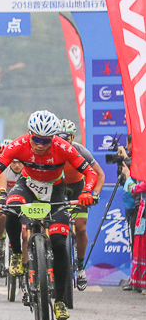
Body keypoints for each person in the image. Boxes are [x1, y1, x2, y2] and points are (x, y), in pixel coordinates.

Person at [0, 110, 98, 320]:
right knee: (10, 209)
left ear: (53, 137)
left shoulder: (63, 147)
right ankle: (17, 253)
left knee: (59, 242)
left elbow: (92, 173)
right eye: (36, 139)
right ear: (29, 134)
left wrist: (87, 192)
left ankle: (60, 301)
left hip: (56, 188)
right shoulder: (18, 144)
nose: (40, 145)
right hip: (27, 185)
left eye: (46, 140)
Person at [57, 119, 105, 290]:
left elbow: (100, 174)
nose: (63, 142)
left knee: (81, 229)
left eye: (67, 138)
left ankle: (80, 266)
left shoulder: (80, 151)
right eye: (59, 137)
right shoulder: (51, 150)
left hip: (78, 189)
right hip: (57, 188)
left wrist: (95, 194)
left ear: (73, 137)